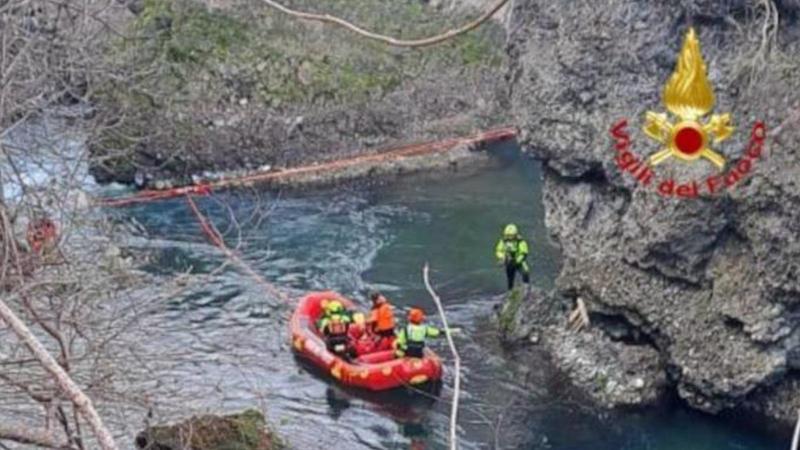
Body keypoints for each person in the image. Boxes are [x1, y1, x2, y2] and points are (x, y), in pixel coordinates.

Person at [495, 223, 530, 291]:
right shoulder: (503, 241)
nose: (509, 238)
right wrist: (503, 257)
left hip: (519, 262)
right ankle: (510, 291)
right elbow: (498, 250)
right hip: (508, 261)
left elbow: (524, 253)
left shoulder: (520, 241)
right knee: (510, 278)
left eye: (511, 236)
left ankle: (526, 288)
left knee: (525, 272)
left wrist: (517, 261)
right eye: (508, 236)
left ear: (515, 235)